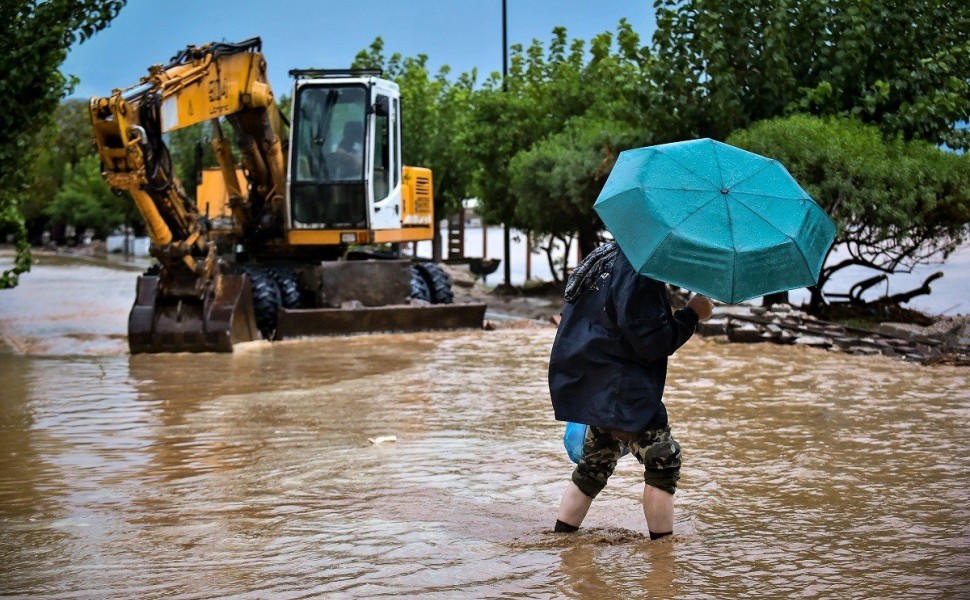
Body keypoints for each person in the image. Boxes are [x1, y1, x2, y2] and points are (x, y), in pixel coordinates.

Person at [548, 242, 714, 539]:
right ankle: (662, 558)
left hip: (595, 381)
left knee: (594, 465)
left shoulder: (605, 256)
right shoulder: (640, 271)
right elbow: (651, 341)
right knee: (663, 459)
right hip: (623, 387)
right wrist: (691, 314)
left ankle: (561, 541)